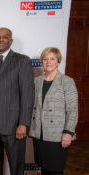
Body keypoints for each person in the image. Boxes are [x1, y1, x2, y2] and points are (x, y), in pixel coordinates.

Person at [0, 27, 35, 175]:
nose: (0, 39)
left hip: (13, 125)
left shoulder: (22, 60)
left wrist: (23, 123)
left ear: (11, 41)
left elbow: (27, 94)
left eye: (4, 37)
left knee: (16, 167)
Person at [29, 47, 78, 175]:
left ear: (58, 61)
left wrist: (68, 132)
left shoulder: (66, 81)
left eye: (52, 58)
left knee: (55, 170)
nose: (48, 62)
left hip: (58, 135)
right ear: (42, 61)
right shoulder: (36, 81)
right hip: (39, 134)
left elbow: (73, 109)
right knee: (44, 169)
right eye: (45, 59)